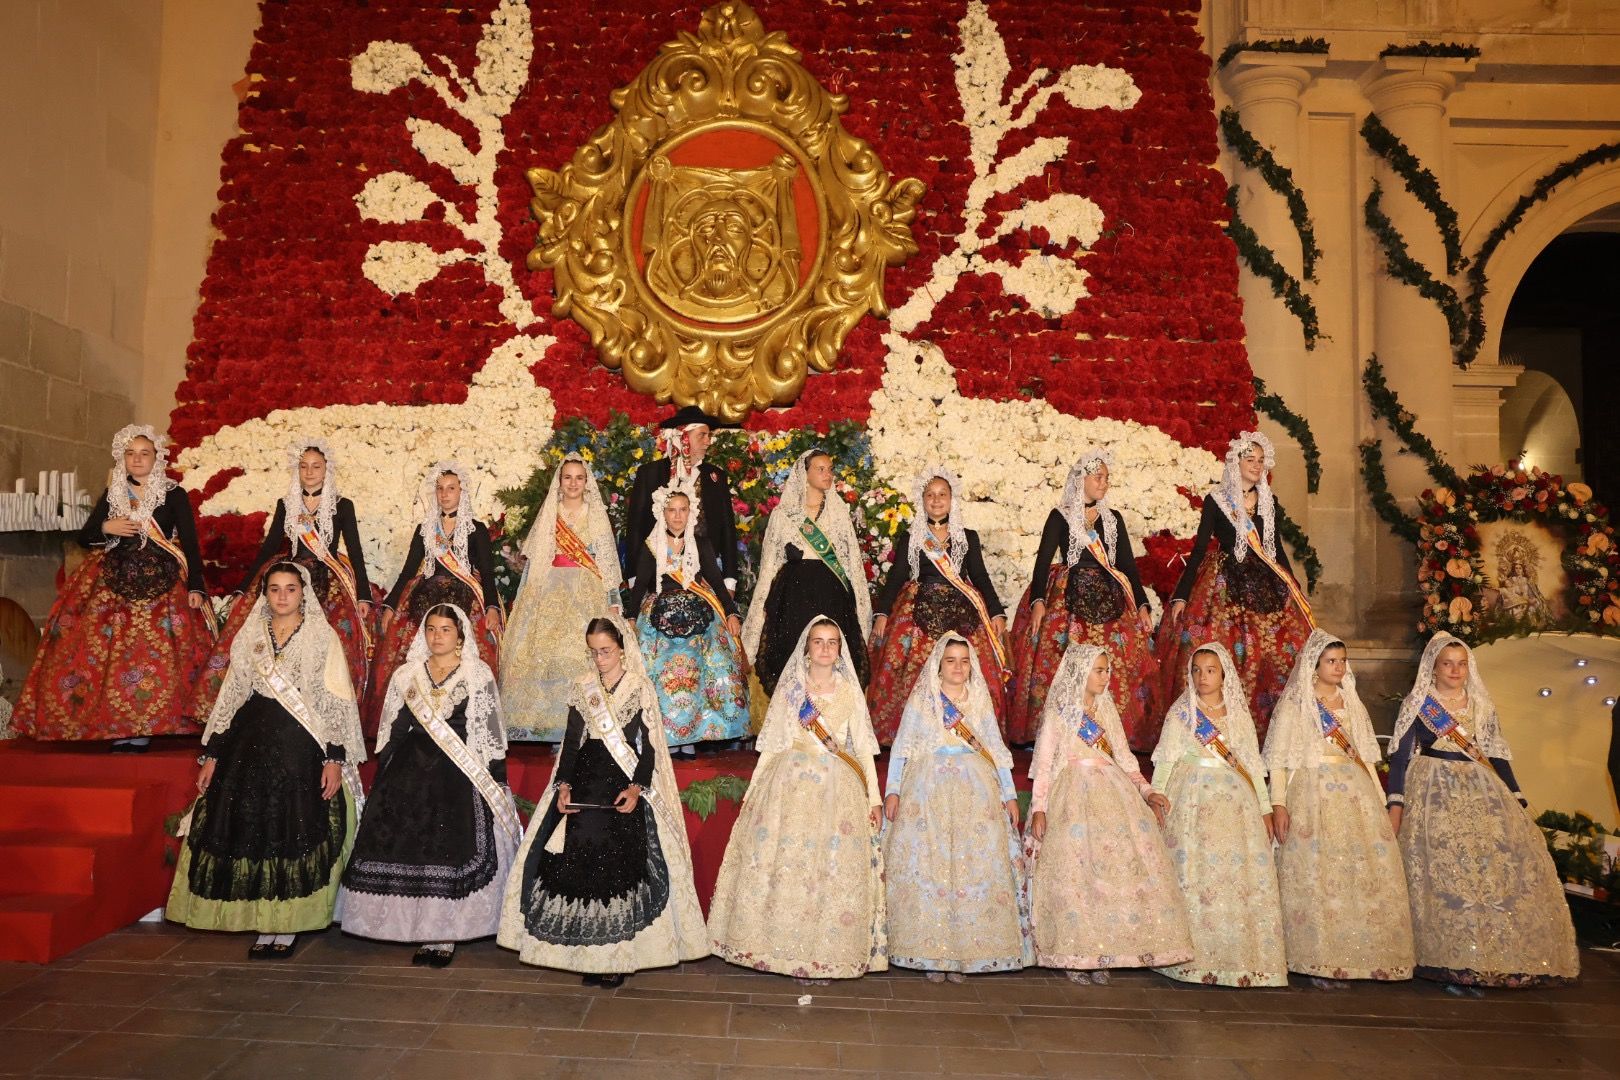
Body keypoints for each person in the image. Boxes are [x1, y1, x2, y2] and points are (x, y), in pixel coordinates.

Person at [166, 562, 366, 958]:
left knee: (291, 830)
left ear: (302, 593)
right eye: (274, 589)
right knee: (252, 830)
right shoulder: (251, 636)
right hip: (250, 745)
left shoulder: (321, 638)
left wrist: (333, 758)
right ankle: (263, 922)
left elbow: (336, 702)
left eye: (290, 589)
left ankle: (288, 925)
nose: (282, 597)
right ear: (266, 594)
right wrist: (213, 754)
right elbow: (233, 694)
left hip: (301, 749)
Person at [498, 615, 708, 984]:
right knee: (577, 862)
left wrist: (637, 788)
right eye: (594, 653)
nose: (599, 659)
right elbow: (572, 741)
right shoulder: (582, 687)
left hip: (622, 783)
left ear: (622, 650)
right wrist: (563, 784)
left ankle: (615, 958)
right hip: (586, 780)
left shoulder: (640, 687)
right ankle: (586, 955)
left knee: (618, 866)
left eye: (606, 652)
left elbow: (650, 749)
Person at [1387, 632, 1579, 993]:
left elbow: (1498, 755)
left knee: (1490, 870)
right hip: (1433, 788)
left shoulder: (1480, 704)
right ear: (1434, 667)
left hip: (1479, 788)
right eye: (1448, 663)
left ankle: (1491, 955)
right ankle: (1452, 958)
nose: (1455, 670)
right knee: (1448, 872)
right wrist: (1395, 801)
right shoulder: (1420, 702)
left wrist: (1518, 797)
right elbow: (1399, 756)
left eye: (1461, 664)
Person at [340, 605, 520, 966]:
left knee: (449, 850)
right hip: (411, 771)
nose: (437, 636)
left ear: (460, 636)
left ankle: (444, 935)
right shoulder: (407, 674)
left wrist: (498, 781)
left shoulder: (476, 673)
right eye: (432, 629)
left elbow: (489, 734)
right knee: (411, 849)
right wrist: (384, 777)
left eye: (445, 630)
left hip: (459, 774)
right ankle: (409, 926)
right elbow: (394, 728)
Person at [708, 618, 886, 982]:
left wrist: (874, 798)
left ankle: (823, 953)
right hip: (790, 783)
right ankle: (781, 950)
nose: (825, 648)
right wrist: (756, 790)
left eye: (832, 643)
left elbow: (864, 750)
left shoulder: (851, 693)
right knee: (790, 865)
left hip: (837, 788)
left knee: (828, 871)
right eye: (818, 642)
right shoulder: (791, 690)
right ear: (807, 648)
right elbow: (774, 743)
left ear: (840, 650)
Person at [13, 424, 212, 748]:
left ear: (156, 457)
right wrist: (109, 526)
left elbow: (190, 543)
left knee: (153, 654)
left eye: (144, 453)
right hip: (112, 581)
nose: (137, 459)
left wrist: (197, 586)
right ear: (123, 458)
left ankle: (146, 727)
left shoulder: (173, 494)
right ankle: (117, 726)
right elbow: (86, 535)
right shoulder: (115, 492)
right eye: (131, 453)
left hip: (160, 581)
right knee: (109, 653)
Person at [1027, 643, 1192, 983]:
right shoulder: (1060, 711)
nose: (1106, 677)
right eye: (1099, 670)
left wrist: (1147, 790)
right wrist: (1040, 808)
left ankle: (1103, 950)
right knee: (1078, 874)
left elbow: (1125, 757)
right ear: (1081, 672)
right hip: (1073, 793)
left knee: (1111, 874)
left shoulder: (1107, 710)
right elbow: (1043, 765)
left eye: (1107, 670)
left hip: (1113, 793)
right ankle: (1077, 953)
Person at [1264, 631, 1413, 987]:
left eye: (1343, 660)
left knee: (1357, 873)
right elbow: (1281, 760)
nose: (1339, 666)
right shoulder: (1296, 704)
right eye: (1332, 661)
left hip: (1354, 792)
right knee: (1319, 875)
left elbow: (1364, 756)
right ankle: (1318, 955)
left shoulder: (1351, 702)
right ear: (1314, 666)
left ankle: (1360, 952)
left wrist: (1380, 802)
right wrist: (1279, 803)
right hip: (1312, 790)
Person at [883, 634, 1029, 982]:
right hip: (928, 789)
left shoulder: (979, 699)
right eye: (951, 660)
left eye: (964, 660)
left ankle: (965, 952)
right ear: (938, 665)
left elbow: (995, 749)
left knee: (969, 868)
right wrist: (893, 790)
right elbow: (902, 747)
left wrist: (1008, 794)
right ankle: (933, 954)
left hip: (974, 789)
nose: (958, 667)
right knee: (932, 868)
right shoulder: (923, 700)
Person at [196, 440, 372, 719]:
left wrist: (363, 594)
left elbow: (355, 548)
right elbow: (269, 547)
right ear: (297, 469)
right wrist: (244, 587)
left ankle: (321, 706)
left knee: (326, 642)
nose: (310, 472)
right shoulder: (286, 503)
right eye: (304, 466)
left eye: (316, 466)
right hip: (289, 579)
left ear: (327, 469)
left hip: (328, 580)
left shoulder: (342, 505)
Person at [1160, 432, 1314, 744]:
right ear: (1236, 463)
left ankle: (1271, 731)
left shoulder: (1270, 502)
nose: (1257, 466)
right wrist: (1182, 594)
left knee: (1274, 649)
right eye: (1250, 460)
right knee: (1229, 649)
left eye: (1261, 461)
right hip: (1224, 584)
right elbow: (1200, 548)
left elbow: (1276, 550)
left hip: (1265, 584)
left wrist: (1293, 588)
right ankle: (1221, 727)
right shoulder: (1216, 501)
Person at [1151, 644, 1286, 987]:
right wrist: (1157, 796)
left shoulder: (1237, 715)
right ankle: (1189, 957)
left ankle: (1235, 956)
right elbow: (1166, 759)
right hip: (1192, 797)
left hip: (1234, 801)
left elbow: (1252, 764)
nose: (1203, 676)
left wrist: (1266, 807)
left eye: (1210, 670)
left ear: (1223, 674)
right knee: (1194, 873)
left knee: (1233, 875)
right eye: (1197, 670)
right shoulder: (1182, 713)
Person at [1008, 449, 1157, 748]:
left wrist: (1142, 605)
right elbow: (1042, 562)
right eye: (1098, 477)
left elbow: (1126, 566)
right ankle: (1058, 729)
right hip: (1068, 596)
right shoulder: (1060, 516)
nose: (1104, 483)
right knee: (1061, 656)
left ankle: (1112, 732)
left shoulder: (1113, 519)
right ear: (1081, 480)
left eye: (1106, 478)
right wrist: (1038, 601)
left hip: (1111, 598)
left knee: (1116, 656)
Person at [868, 467, 1007, 745]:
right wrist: (882, 613)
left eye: (942, 494)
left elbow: (979, 577)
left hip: (961, 612)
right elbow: (896, 578)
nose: (936, 499)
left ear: (951, 499)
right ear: (922, 500)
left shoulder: (968, 537)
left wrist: (995, 611)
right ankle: (917, 734)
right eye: (930, 495)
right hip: (919, 612)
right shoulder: (911, 537)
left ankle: (966, 732)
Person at [365, 462, 504, 739]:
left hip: (466, 598)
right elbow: (408, 570)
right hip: (424, 598)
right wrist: (391, 605)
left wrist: (491, 607)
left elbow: (487, 572)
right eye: (440, 489)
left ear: (462, 493)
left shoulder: (476, 529)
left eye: (451, 488)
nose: (445, 494)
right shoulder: (424, 528)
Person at [500, 454, 623, 741]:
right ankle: (547, 724)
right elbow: (537, 560)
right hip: (550, 587)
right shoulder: (550, 512)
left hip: (586, 588)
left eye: (579, 478)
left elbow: (606, 561)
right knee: (544, 652)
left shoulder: (595, 513)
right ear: (559, 480)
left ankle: (582, 722)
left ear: (586, 482)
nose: (573, 483)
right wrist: (526, 595)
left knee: (580, 652)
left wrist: (613, 598)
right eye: (567, 477)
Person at [626, 483, 748, 751]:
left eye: (683, 510)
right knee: (662, 667)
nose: (677, 516)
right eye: (672, 510)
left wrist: (730, 612)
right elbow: (640, 585)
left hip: (698, 612)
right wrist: (631, 618)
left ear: (690, 512)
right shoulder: (651, 545)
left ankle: (693, 735)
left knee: (710, 660)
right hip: (659, 614)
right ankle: (666, 736)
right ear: (663, 513)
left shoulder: (700, 543)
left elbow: (715, 581)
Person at [742, 448, 872, 694]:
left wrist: (862, 610)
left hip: (831, 594)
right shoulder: (783, 515)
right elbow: (769, 564)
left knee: (832, 651)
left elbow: (853, 563)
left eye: (830, 469)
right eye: (820, 469)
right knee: (793, 651)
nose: (827, 474)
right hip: (793, 596)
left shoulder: (839, 513)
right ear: (805, 473)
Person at [624, 405, 741, 594]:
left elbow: (727, 530)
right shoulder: (649, 474)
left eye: (708, 435)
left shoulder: (715, 476)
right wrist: (634, 578)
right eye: (702, 435)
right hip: (658, 578)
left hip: (707, 578)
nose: (708, 442)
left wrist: (729, 580)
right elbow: (636, 528)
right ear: (683, 438)